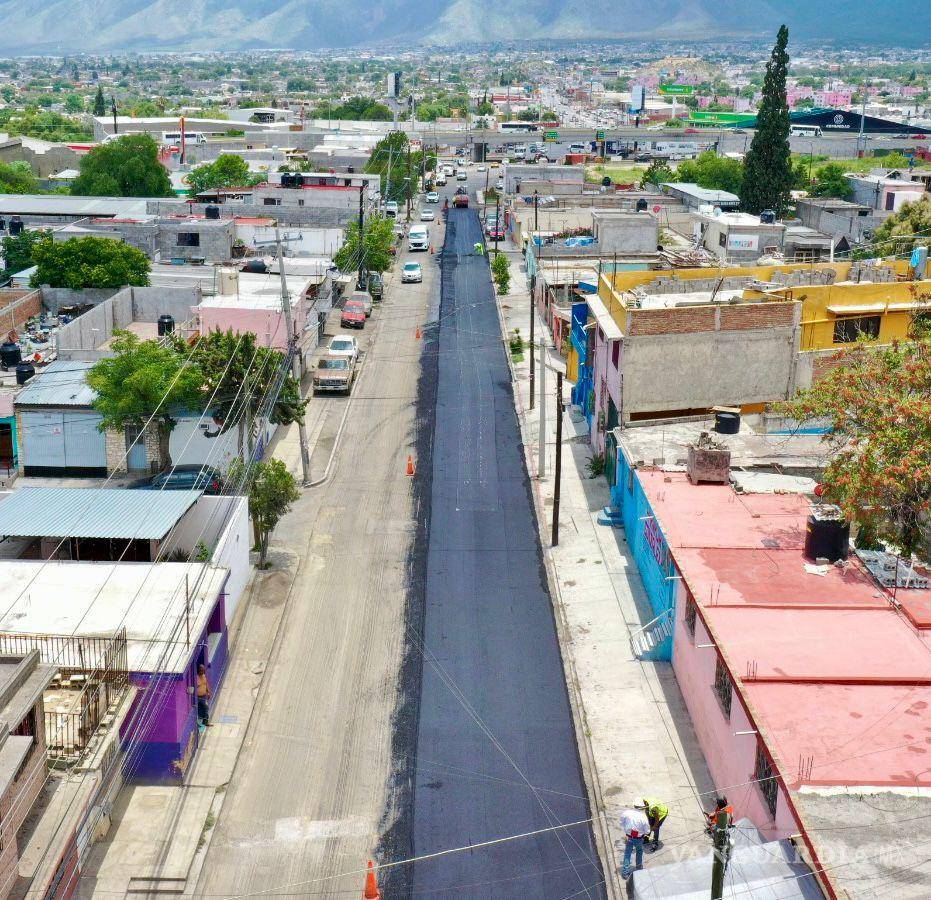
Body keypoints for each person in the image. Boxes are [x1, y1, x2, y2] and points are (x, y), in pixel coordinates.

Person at [620, 806, 650, 879]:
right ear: (642, 807)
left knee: (627, 854)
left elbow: (621, 823)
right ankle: (639, 868)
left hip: (629, 837)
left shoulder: (627, 813)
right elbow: (647, 831)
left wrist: (627, 830)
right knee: (639, 852)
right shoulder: (643, 817)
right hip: (639, 839)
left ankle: (625, 872)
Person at [196, 663, 212, 727]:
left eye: (203, 670)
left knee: (206, 708)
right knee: (197, 710)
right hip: (197, 697)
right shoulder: (196, 677)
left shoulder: (204, 676)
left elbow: (206, 684)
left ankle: (205, 722)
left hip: (203, 696)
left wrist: (208, 692)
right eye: (201, 670)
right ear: (198, 670)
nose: (202, 672)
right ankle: (197, 724)